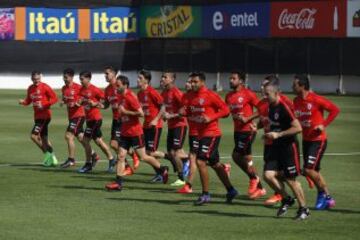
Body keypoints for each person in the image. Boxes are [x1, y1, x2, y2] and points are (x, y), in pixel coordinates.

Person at [182, 71, 238, 205]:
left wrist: (210, 118)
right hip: (200, 134)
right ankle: (231, 190)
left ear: (202, 82)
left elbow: (226, 111)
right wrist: (181, 113)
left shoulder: (210, 95)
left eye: (195, 82)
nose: (193, 84)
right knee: (216, 164)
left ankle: (206, 194)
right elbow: (189, 111)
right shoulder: (189, 96)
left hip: (212, 134)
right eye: (191, 82)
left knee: (200, 162)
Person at [105, 75, 169, 191]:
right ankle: (118, 183)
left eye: (118, 85)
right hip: (125, 132)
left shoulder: (130, 96)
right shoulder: (120, 96)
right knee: (121, 156)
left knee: (143, 157)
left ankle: (162, 169)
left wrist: (126, 112)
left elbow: (141, 114)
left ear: (125, 85)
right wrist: (121, 116)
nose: (116, 87)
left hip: (135, 132)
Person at [263, 78, 309, 220]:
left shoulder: (284, 107)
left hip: (289, 148)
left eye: (267, 94)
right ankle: (287, 198)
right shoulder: (270, 106)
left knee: (291, 179)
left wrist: (278, 134)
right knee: (268, 175)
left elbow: (298, 128)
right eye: (264, 94)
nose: (265, 97)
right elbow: (272, 122)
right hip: (275, 147)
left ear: (277, 93)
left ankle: (304, 209)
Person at [293, 74, 339, 210]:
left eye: (294, 84)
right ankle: (324, 197)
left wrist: (323, 125)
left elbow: (335, 110)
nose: (292, 87)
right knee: (314, 171)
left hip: (318, 141)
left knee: (308, 169)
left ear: (302, 86)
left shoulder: (316, 99)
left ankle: (326, 195)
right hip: (306, 140)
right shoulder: (296, 101)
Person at [225, 71, 266, 199]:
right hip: (237, 131)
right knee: (248, 160)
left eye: (234, 78)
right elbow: (226, 112)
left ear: (241, 81)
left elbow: (262, 109)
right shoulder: (229, 96)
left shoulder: (248, 94)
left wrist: (248, 118)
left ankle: (253, 178)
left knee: (236, 156)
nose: (231, 80)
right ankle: (260, 188)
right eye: (230, 78)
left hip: (247, 131)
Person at [137, 69, 174, 182]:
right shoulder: (139, 93)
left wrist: (155, 120)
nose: (138, 80)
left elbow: (163, 107)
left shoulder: (152, 92)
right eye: (138, 78)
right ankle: (161, 171)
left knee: (150, 152)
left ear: (146, 80)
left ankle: (169, 160)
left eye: (140, 78)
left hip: (155, 126)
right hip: (145, 126)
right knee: (145, 153)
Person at [76, 70, 115, 173]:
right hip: (89, 119)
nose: (80, 81)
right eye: (80, 79)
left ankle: (88, 164)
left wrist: (95, 103)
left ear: (88, 78)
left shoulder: (95, 89)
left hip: (95, 118)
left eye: (82, 79)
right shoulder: (81, 90)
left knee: (85, 140)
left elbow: (104, 100)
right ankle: (111, 159)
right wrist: (79, 102)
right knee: (98, 141)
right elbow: (80, 101)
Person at [60, 68, 99, 168]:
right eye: (63, 77)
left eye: (66, 77)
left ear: (72, 77)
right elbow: (66, 99)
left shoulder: (78, 87)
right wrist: (63, 101)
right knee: (81, 138)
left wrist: (77, 103)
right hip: (71, 116)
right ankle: (94, 155)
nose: (64, 79)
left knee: (68, 136)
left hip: (79, 115)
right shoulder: (64, 88)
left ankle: (71, 159)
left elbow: (83, 99)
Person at [103, 66, 139, 174]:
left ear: (114, 74)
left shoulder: (119, 86)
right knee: (114, 144)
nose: (105, 76)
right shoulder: (107, 89)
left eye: (107, 73)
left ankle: (132, 158)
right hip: (116, 119)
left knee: (115, 144)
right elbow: (106, 105)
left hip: (123, 120)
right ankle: (129, 162)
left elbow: (131, 96)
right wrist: (95, 104)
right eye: (104, 74)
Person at [19, 70, 58, 166]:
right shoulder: (30, 88)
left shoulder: (45, 87)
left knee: (34, 136)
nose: (36, 81)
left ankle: (48, 155)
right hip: (37, 116)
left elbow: (55, 98)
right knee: (44, 138)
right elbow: (28, 101)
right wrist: (23, 102)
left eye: (38, 79)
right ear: (31, 78)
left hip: (45, 116)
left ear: (40, 77)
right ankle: (53, 158)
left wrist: (44, 104)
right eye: (34, 79)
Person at [160, 71, 189, 187]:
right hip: (171, 126)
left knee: (175, 152)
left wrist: (171, 116)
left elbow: (185, 110)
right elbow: (164, 108)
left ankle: (181, 178)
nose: (162, 79)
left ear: (172, 79)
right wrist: (163, 116)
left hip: (180, 126)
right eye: (162, 76)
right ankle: (187, 162)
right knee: (171, 153)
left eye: (165, 77)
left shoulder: (176, 92)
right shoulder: (164, 93)